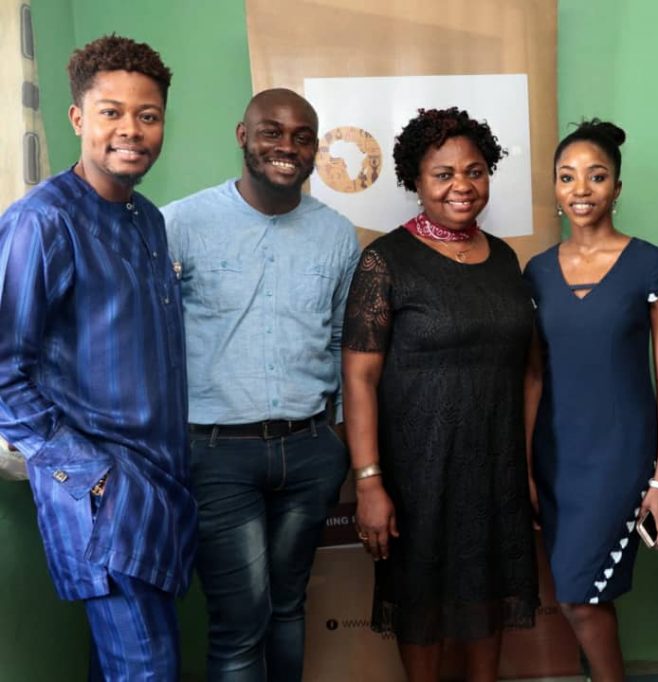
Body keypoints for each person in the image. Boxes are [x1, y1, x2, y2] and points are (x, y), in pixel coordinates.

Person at [0, 35, 196, 680]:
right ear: (78, 118)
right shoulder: (41, 221)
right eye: (111, 112)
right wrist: (89, 474)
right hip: (102, 500)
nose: (131, 130)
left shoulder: (148, 220)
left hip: (162, 488)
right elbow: (3, 371)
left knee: (125, 667)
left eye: (148, 115)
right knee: (148, 671)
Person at [162, 88, 360, 681]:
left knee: (288, 607)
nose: (287, 146)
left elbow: (341, 340)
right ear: (242, 135)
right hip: (217, 454)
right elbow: (152, 340)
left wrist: (339, 438)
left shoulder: (337, 235)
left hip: (309, 451)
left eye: (302, 137)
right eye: (271, 131)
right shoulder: (180, 224)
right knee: (239, 622)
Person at [342, 107, 538, 682]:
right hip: (419, 473)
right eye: (443, 174)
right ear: (415, 180)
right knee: (422, 604)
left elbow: (528, 370)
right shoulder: (384, 262)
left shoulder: (504, 258)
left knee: (488, 598)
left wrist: (526, 467)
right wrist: (369, 482)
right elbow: (359, 378)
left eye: (474, 171)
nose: (462, 186)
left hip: (496, 469)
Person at [524, 120, 658, 682]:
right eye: (567, 177)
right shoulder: (537, 272)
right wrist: (525, 466)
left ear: (617, 187)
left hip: (621, 456)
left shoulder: (651, 264)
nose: (581, 189)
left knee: (580, 598)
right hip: (556, 458)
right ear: (555, 188)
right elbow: (533, 376)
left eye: (596, 176)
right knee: (582, 593)